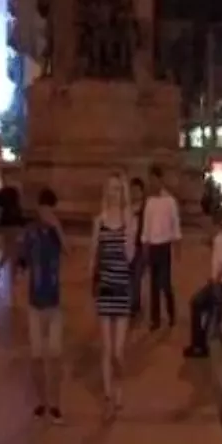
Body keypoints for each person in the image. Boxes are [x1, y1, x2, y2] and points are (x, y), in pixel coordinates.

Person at [17, 187, 67, 423]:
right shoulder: (31, 233)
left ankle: (55, 404)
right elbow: (22, 260)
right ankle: (41, 402)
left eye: (50, 208)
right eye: (44, 208)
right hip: (35, 302)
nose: (46, 212)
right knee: (37, 355)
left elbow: (67, 251)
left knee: (55, 355)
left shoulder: (56, 232)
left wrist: (57, 226)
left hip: (54, 302)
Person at [90, 174, 133, 420]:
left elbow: (129, 257)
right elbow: (94, 254)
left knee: (119, 351)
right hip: (105, 288)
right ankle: (108, 396)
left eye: (118, 189)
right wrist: (90, 280)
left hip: (122, 288)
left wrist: (129, 229)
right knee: (106, 348)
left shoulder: (129, 221)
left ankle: (119, 389)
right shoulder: (100, 221)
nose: (114, 193)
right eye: (111, 189)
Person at [184, 215, 222, 358]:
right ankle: (200, 344)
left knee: (199, 305)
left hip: (220, 283)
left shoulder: (220, 241)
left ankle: (200, 345)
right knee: (206, 309)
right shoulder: (221, 240)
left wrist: (214, 281)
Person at [141, 164, 181, 330]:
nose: (153, 183)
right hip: (153, 247)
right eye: (150, 180)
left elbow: (175, 224)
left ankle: (171, 313)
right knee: (153, 285)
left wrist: (177, 246)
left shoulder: (170, 201)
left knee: (165, 283)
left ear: (160, 179)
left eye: (154, 179)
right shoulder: (149, 202)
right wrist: (145, 245)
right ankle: (155, 319)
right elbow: (146, 226)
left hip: (164, 246)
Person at [127, 177, 147, 319]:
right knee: (129, 277)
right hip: (127, 246)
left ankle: (135, 306)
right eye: (132, 191)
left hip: (140, 247)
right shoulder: (126, 208)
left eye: (137, 191)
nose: (134, 193)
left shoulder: (146, 209)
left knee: (136, 277)